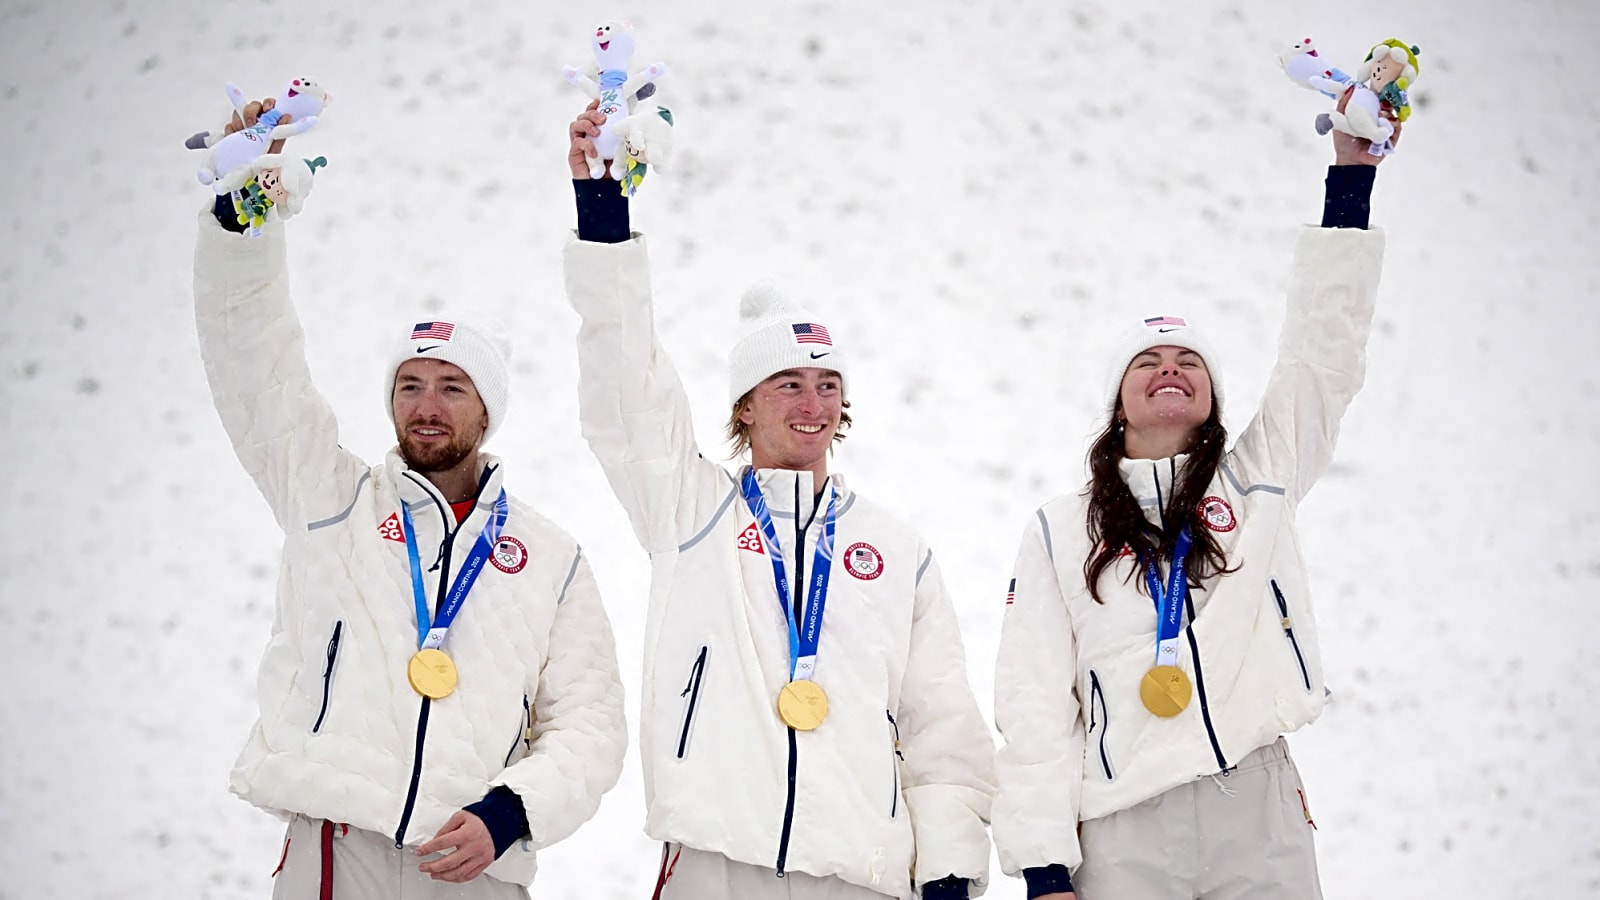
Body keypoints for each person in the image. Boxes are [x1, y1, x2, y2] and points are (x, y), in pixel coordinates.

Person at [193, 99, 627, 898]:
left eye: (452, 387)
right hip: (336, 844)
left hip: (473, 862)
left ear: (488, 409)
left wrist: (510, 814)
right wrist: (242, 222)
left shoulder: (552, 560)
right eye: (410, 384)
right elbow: (255, 365)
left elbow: (590, 726)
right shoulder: (330, 499)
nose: (427, 405)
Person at [562, 105, 997, 900]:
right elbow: (626, 388)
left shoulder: (896, 551)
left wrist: (950, 870)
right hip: (716, 866)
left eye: (828, 384)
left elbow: (942, 731)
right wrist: (604, 220)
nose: (812, 401)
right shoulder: (691, 514)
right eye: (787, 382)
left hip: (858, 876)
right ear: (745, 407)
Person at [991, 96, 1399, 899]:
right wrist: (1044, 868)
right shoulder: (1059, 528)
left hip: (1258, 808)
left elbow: (1323, 353)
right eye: (1148, 361)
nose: (1170, 368)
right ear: (1118, 400)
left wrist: (1350, 185)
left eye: (1190, 361)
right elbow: (1034, 702)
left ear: (1212, 396)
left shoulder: (1260, 480)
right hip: (1122, 824)